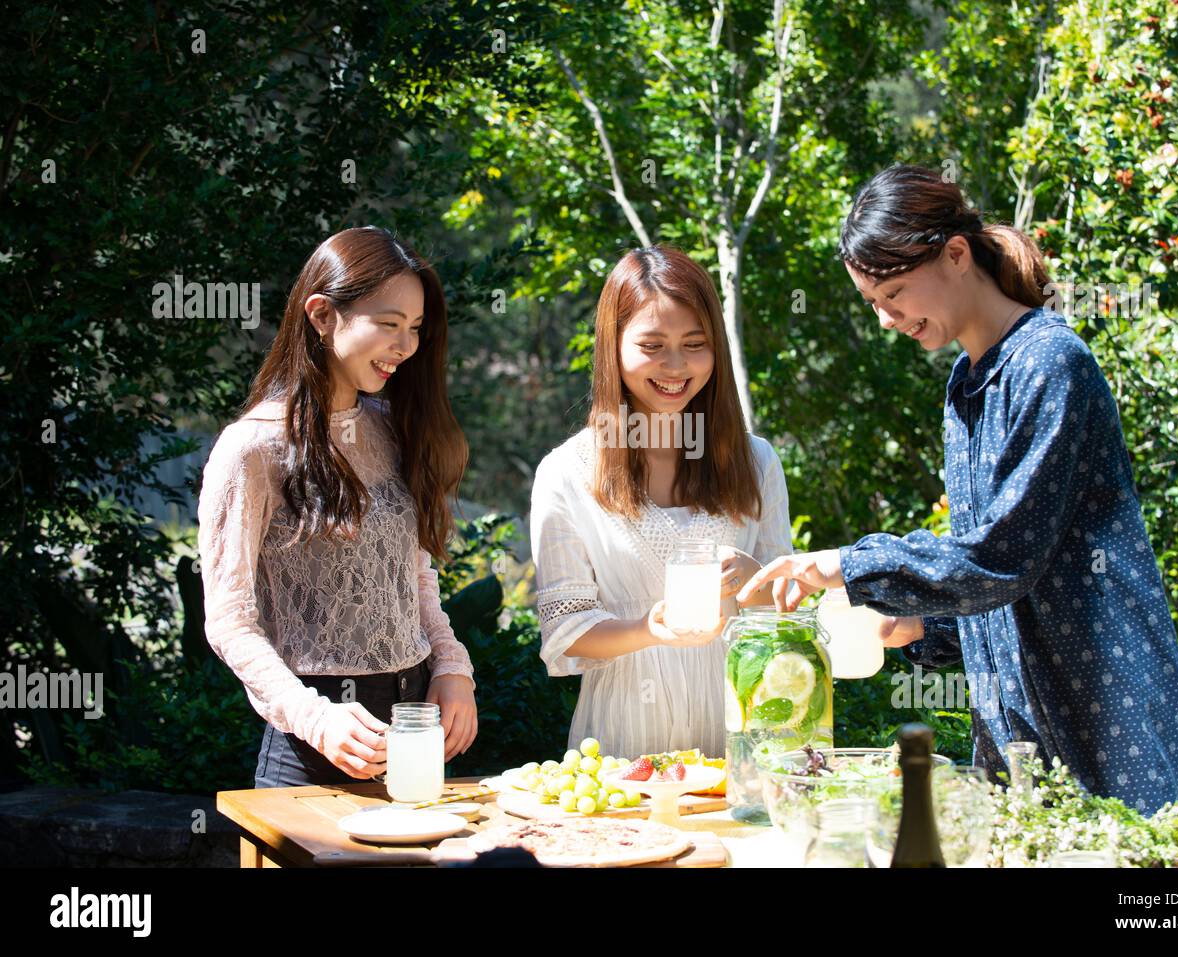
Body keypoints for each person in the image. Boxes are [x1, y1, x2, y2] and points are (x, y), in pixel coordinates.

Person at [739, 165, 1178, 817]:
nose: (885, 319)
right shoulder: (966, 383)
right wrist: (919, 623)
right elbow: (993, 577)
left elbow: (1000, 556)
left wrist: (844, 565)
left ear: (956, 254)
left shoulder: (1050, 362)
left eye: (895, 292)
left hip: (1104, 713)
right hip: (1017, 730)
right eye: (873, 302)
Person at [197, 226, 478, 787]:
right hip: (312, 750)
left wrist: (452, 666)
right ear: (322, 315)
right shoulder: (251, 449)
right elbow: (229, 621)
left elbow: (415, 577)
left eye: (416, 329)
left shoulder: (395, 429)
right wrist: (316, 720)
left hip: (416, 725)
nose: (406, 346)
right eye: (390, 325)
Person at [530, 245, 792, 759]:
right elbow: (565, 630)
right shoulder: (566, 473)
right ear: (614, 346)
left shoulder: (756, 462)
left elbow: (782, 618)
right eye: (653, 345)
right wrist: (650, 628)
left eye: (694, 344)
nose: (676, 365)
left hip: (736, 735)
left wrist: (752, 575)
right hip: (623, 739)